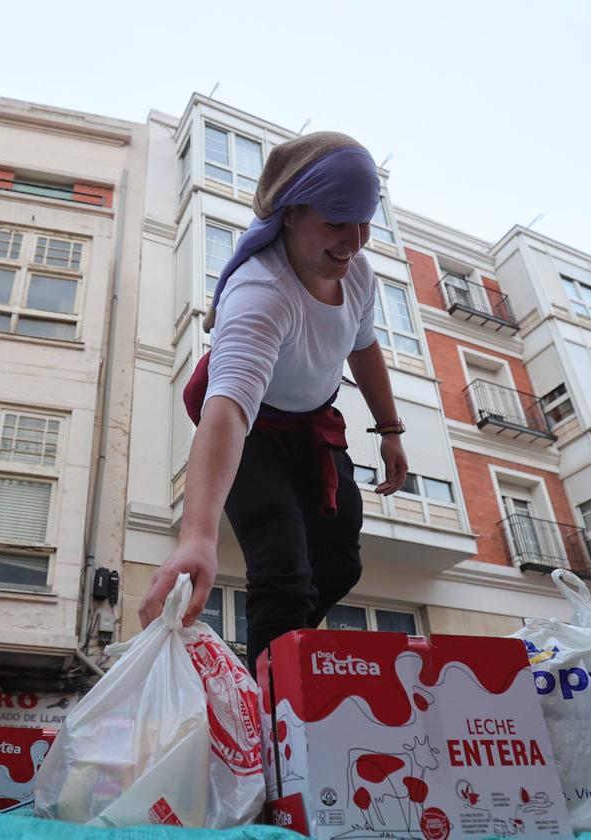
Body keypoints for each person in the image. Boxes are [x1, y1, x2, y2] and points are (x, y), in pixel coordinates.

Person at [138, 131, 408, 672]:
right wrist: (197, 536)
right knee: (283, 574)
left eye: (363, 223)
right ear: (289, 213)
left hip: (313, 428)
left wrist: (391, 429)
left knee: (339, 562)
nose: (352, 241)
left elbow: (363, 345)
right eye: (335, 222)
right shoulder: (261, 294)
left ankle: (283, 660)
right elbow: (229, 410)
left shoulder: (358, 275)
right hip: (253, 435)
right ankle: (276, 708)